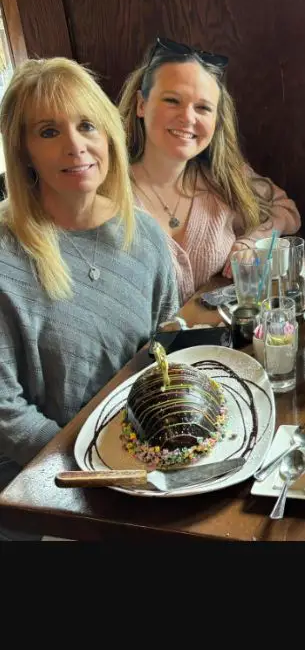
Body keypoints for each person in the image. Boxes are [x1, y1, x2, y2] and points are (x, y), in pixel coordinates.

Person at [0, 58, 179, 501]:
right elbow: (5, 413)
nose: (75, 146)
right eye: (48, 131)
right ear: (23, 152)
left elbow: (167, 351)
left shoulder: (145, 233)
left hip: (138, 461)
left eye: (87, 125)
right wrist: (92, 465)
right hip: (41, 482)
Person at [118, 38, 301, 304]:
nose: (188, 118)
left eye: (203, 107)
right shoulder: (109, 191)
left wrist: (252, 241)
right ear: (141, 104)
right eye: (172, 100)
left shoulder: (222, 177)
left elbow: (286, 210)